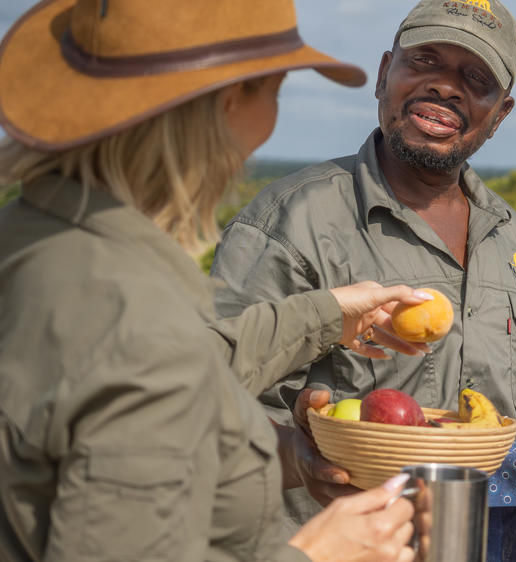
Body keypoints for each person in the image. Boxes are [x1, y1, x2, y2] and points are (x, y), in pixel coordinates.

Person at [0, 0, 425, 560]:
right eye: (275, 87)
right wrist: (317, 554)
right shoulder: (135, 310)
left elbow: (155, 369)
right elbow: (146, 357)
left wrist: (327, 316)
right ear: (232, 100)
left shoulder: (34, 239)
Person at [210, 0, 516, 521]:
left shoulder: (511, 238)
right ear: (386, 72)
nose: (446, 87)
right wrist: (300, 456)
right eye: (425, 61)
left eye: (475, 77)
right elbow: (209, 402)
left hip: (483, 540)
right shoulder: (287, 222)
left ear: (500, 113)